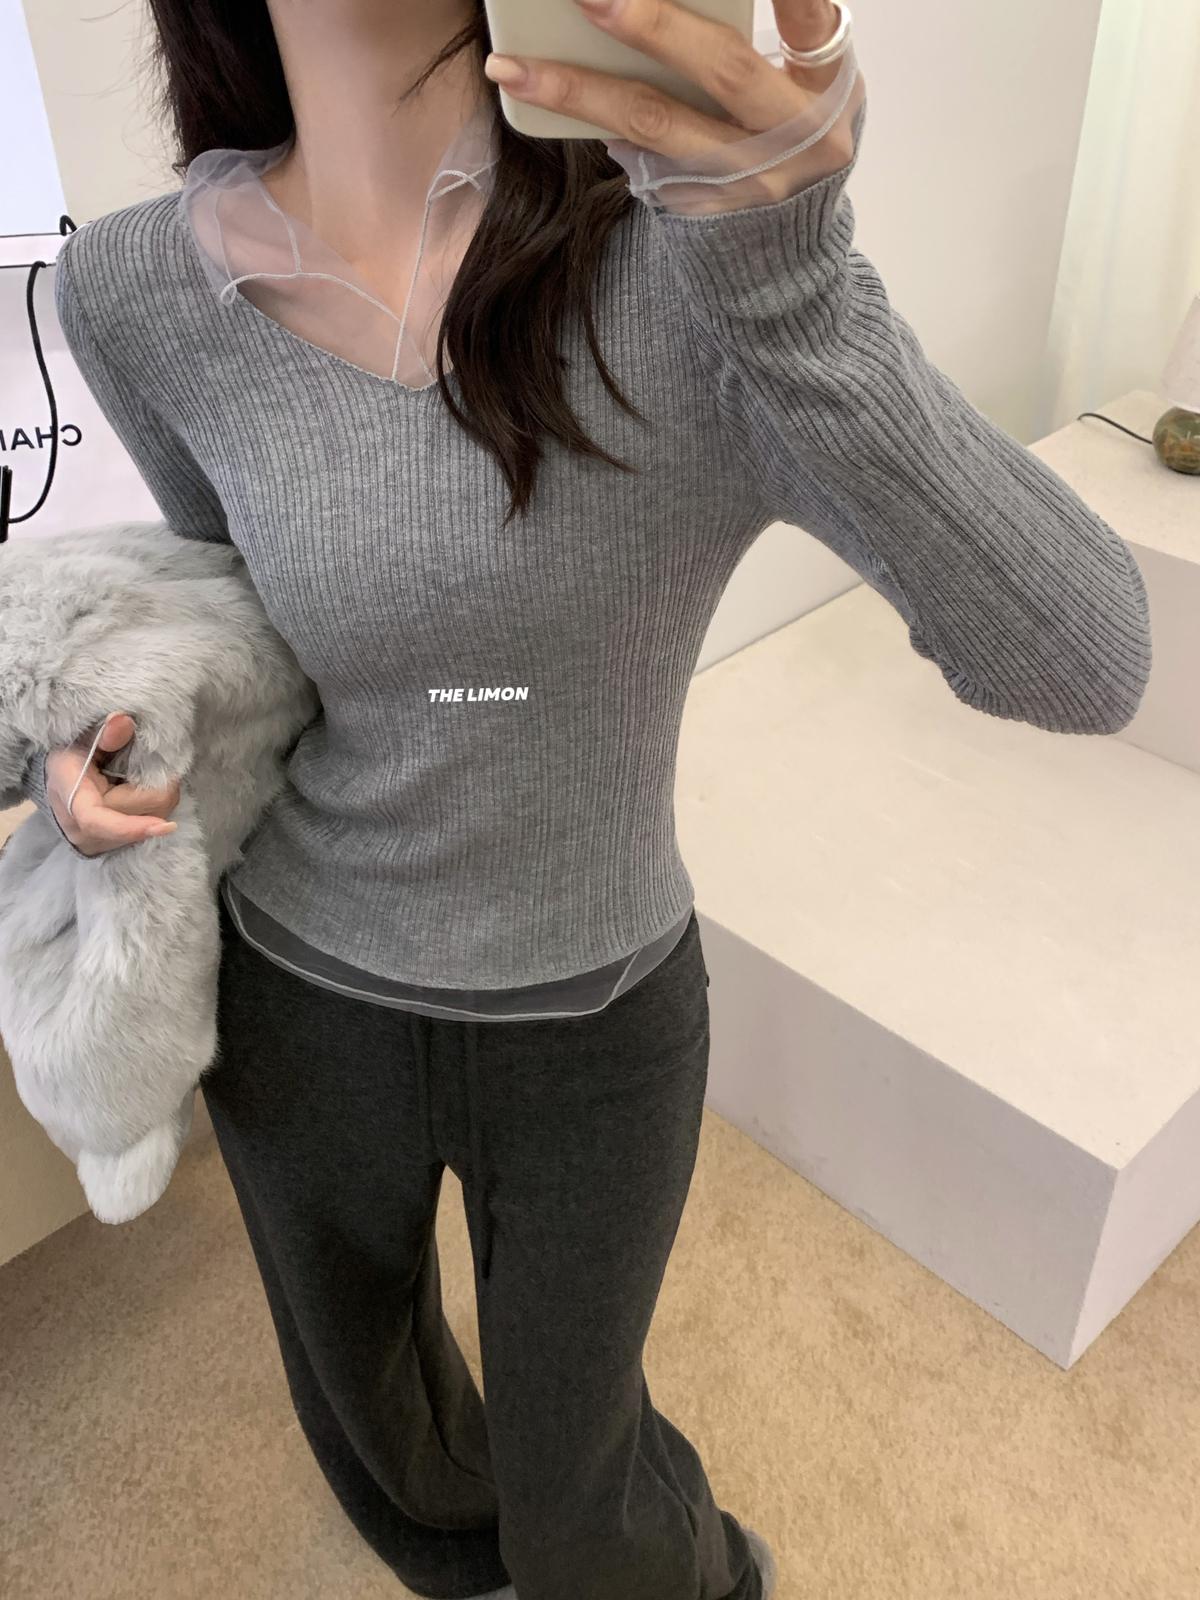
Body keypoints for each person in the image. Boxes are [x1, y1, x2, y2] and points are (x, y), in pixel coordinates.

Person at [22, 3, 1151, 1597]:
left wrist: (794, 289)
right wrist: (113, 754)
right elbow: (242, 619)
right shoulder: (139, 286)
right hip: (294, 1000)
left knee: (585, 1509)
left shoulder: (696, 259)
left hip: (593, 1020)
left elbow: (1085, 659)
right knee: (387, 1442)